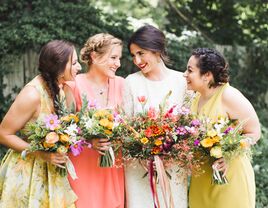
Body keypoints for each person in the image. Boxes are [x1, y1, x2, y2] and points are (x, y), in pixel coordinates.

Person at [0, 40, 81, 207]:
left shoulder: (64, 89)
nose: (79, 67)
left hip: (54, 171)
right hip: (27, 171)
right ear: (59, 67)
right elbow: (3, 133)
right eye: (74, 63)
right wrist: (40, 154)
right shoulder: (32, 94)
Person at [184, 48, 261, 208]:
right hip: (202, 180)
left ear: (207, 76)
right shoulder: (194, 97)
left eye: (190, 70)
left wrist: (228, 154)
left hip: (230, 177)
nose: (185, 74)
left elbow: (254, 132)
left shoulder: (229, 96)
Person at [123, 24, 188, 208]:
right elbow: (126, 128)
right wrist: (142, 154)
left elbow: (190, 125)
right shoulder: (131, 82)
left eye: (141, 53)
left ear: (157, 50)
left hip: (173, 168)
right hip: (139, 168)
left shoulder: (181, 82)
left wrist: (172, 156)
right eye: (133, 55)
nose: (137, 60)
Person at [65, 33, 125, 208]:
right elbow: (64, 130)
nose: (118, 63)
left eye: (119, 58)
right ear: (94, 56)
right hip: (83, 168)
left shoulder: (121, 84)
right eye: (113, 57)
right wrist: (89, 140)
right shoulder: (73, 85)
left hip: (113, 169)